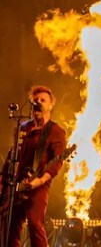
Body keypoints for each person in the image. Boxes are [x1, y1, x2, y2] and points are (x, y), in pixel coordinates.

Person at [3, 86, 67, 247]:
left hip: (38, 185)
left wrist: (37, 182)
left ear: (50, 105)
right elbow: (11, 156)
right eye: (35, 100)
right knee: (10, 227)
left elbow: (56, 163)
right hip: (16, 185)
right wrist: (4, 182)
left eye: (42, 100)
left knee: (35, 225)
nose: (37, 102)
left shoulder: (56, 131)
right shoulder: (23, 127)